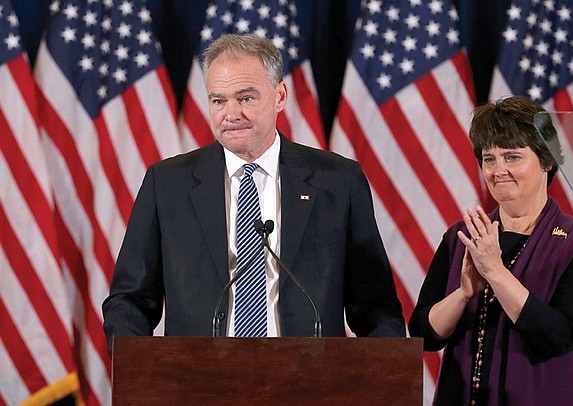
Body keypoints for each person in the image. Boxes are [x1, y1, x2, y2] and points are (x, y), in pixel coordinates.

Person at [102, 34, 405, 354]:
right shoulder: (167, 184)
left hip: (309, 383)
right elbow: (130, 300)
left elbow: (374, 305)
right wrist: (139, 370)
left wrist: (383, 377)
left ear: (280, 96)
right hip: (198, 383)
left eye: (246, 98)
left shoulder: (338, 181)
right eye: (218, 100)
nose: (230, 114)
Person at [409, 96, 573, 405]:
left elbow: (560, 336)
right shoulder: (460, 237)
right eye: (490, 159)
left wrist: (495, 273)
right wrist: (463, 294)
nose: (498, 169)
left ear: (547, 160)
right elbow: (423, 335)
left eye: (512, 157)